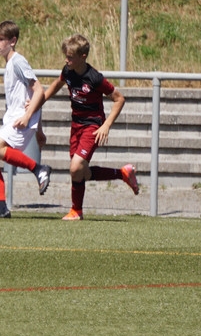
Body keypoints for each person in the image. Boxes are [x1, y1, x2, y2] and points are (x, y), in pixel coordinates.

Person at [41, 33, 139, 220]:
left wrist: (106, 125)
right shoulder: (68, 71)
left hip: (93, 125)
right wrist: (37, 103)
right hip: (76, 125)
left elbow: (119, 99)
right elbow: (56, 85)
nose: (66, 60)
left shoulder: (94, 78)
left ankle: (76, 211)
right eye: (66, 56)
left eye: (70, 57)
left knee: (75, 167)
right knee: (80, 172)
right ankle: (123, 173)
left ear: (83, 57)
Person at [0, 20, 53, 219]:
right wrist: (39, 130)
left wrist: (27, 117)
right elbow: (32, 96)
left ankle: (39, 169)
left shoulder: (18, 61)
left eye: (1, 39)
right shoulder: (10, 63)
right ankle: (1, 206)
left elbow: (39, 90)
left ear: (13, 41)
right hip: (16, 118)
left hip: (21, 119)